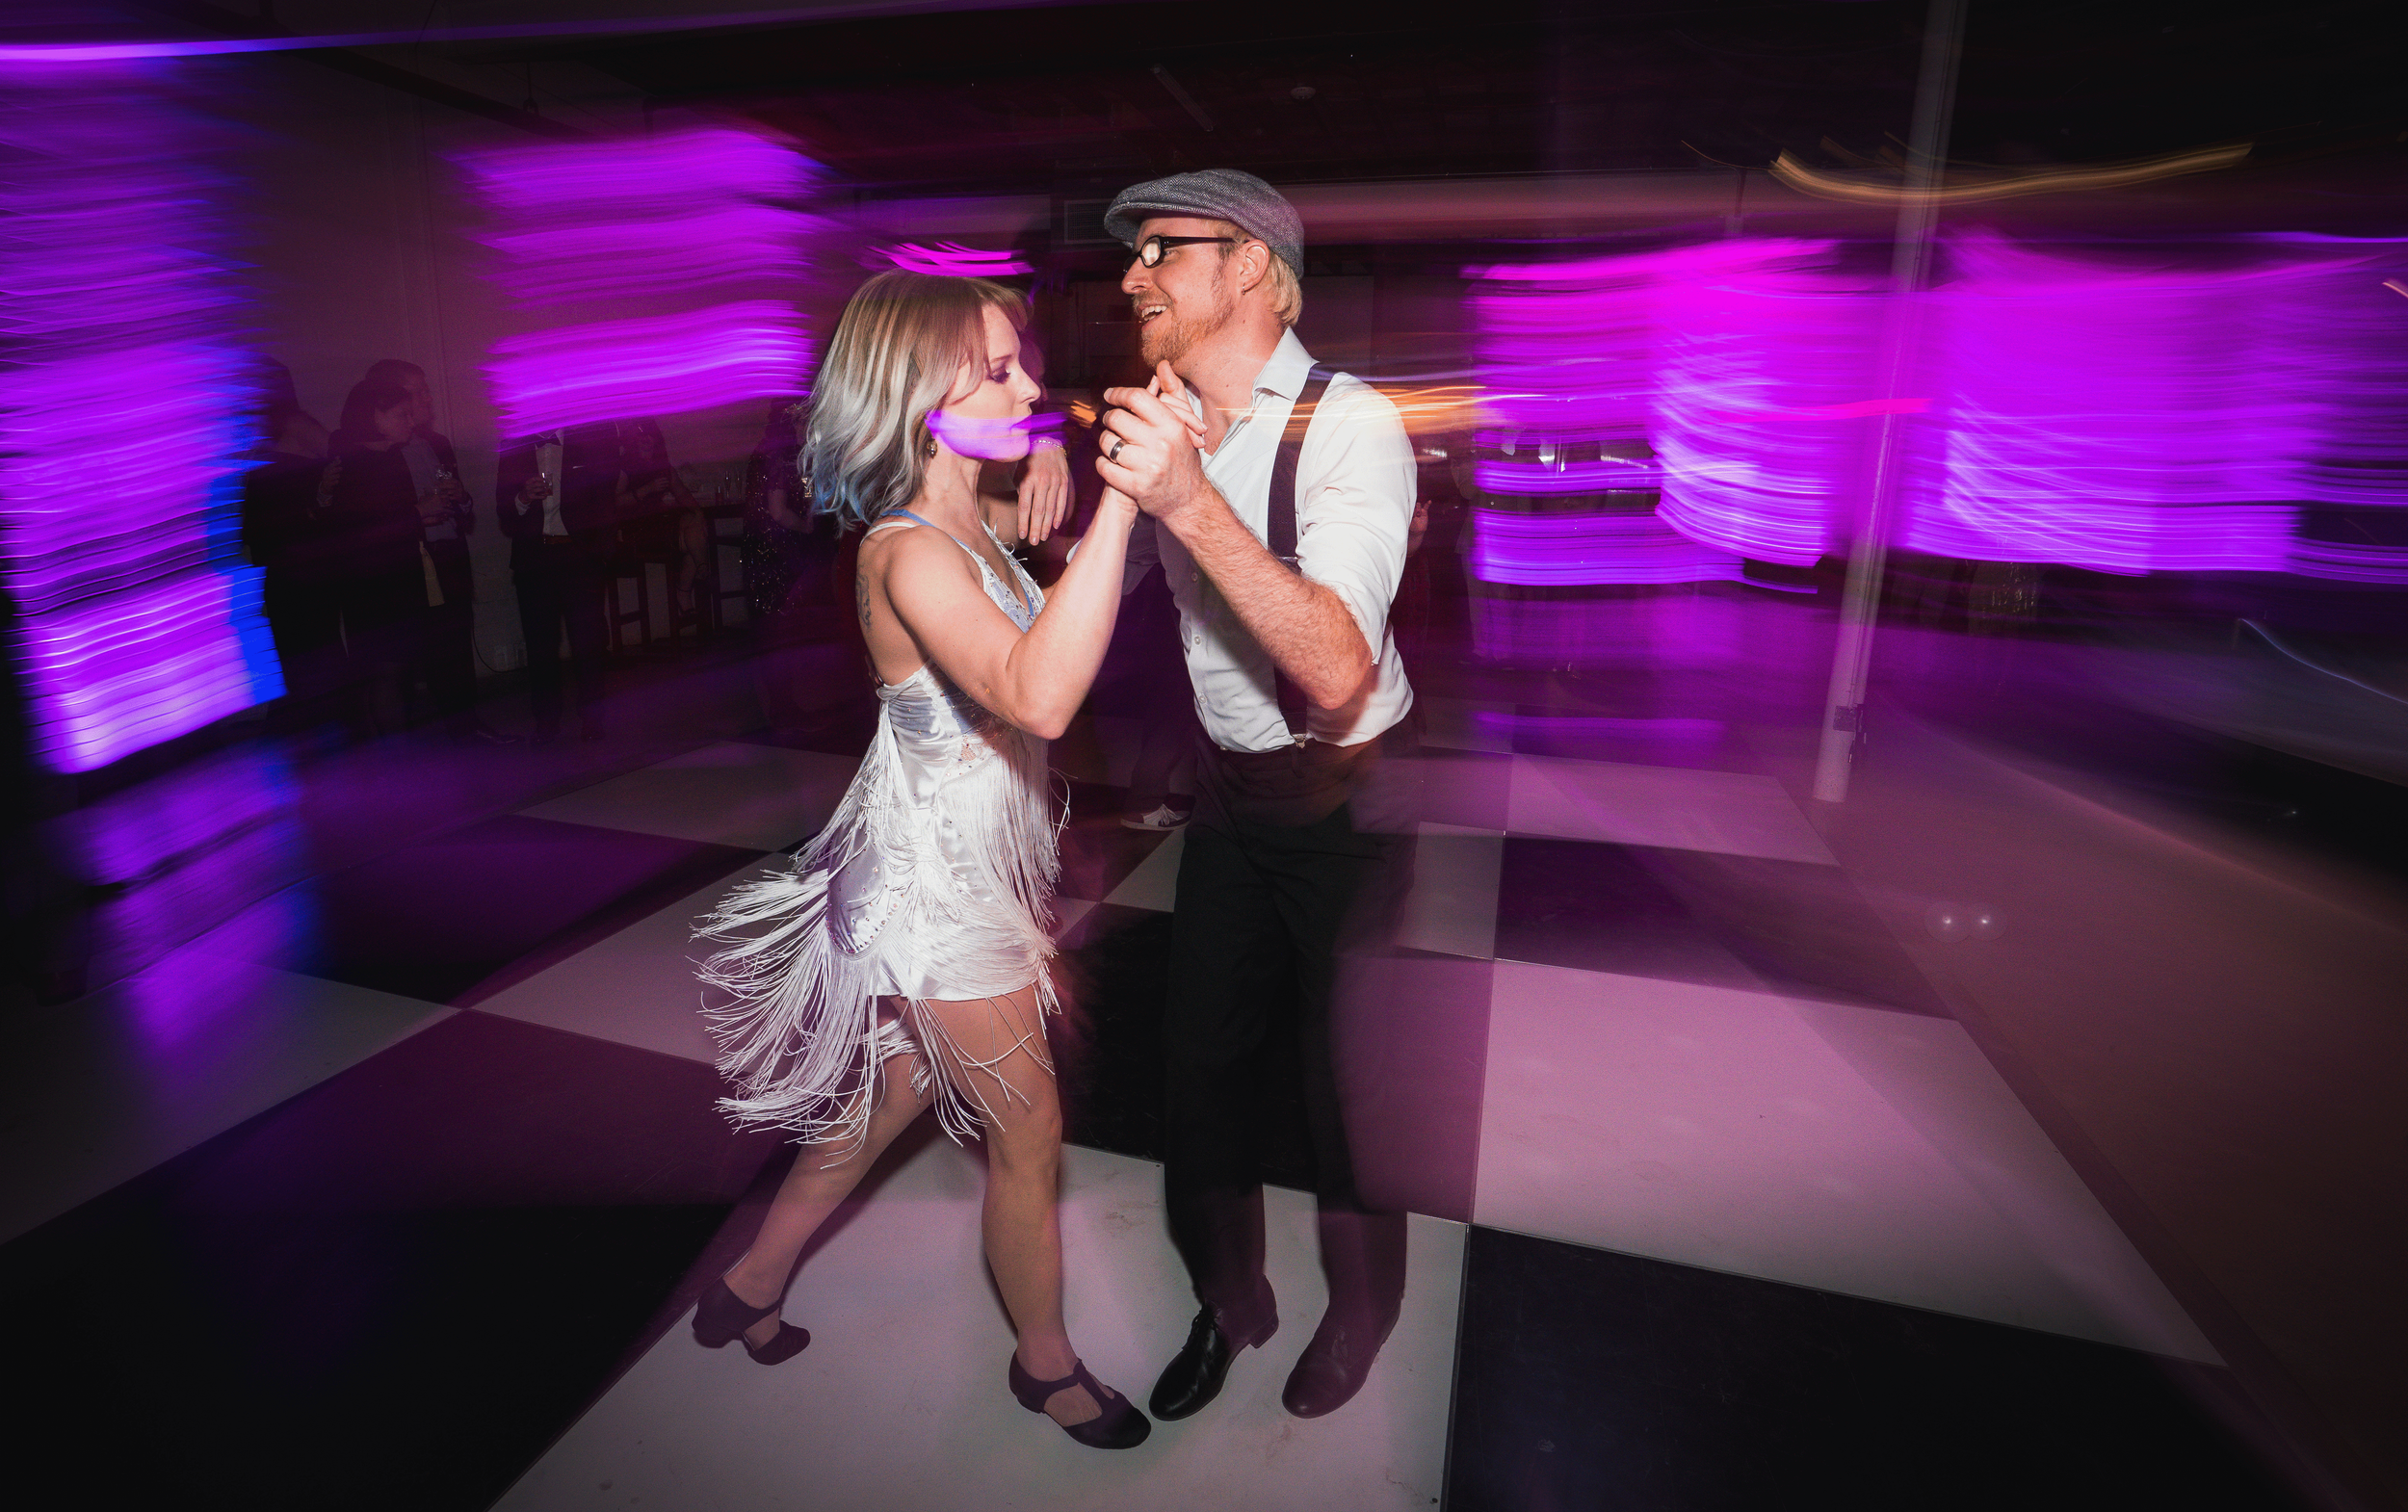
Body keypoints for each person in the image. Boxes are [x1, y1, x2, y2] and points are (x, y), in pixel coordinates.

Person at [688, 271, 1149, 1450]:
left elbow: (1036, 547)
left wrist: (1048, 459)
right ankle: (1044, 1366)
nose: (1030, 382)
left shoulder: (962, 521)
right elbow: (1040, 693)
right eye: (997, 370)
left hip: (940, 867)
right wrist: (1124, 507)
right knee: (1029, 1130)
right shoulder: (906, 553)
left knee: (888, 1096)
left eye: (1021, 362)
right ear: (915, 399)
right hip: (935, 893)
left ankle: (748, 1283)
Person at [1095, 169, 1421, 1422]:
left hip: (1347, 796)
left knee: (1350, 1090)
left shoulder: (1352, 425)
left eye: (1160, 249)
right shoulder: (1172, 415)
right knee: (1198, 1072)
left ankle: (1364, 1308)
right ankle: (1229, 1303)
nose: (1132, 276)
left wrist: (1192, 495)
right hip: (1231, 797)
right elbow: (1103, 600)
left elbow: (1336, 664)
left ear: (1249, 266)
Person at [360, 360, 503, 743]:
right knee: (403, 657)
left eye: (426, 390)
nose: (427, 398)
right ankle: (407, 748)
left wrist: (462, 499)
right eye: (418, 390)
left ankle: (466, 727)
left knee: (454, 645)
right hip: (406, 564)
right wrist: (415, 512)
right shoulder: (377, 452)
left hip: (447, 555)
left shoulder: (436, 443)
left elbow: (459, 503)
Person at [322, 378, 438, 737]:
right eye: (402, 414)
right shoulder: (355, 462)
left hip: (396, 577)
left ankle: (402, 749)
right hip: (374, 585)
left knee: (399, 666)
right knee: (385, 668)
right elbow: (362, 528)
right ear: (375, 416)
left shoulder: (389, 457)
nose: (412, 421)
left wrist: (421, 515)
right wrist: (418, 514)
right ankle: (395, 755)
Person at [496, 420, 621, 743]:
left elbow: (606, 498)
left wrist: (600, 555)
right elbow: (504, 511)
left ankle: (594, 719)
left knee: (589, 644)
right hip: (535, 560)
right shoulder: (514, 443)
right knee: (540, 646)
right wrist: (523, 497)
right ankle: (546, 722)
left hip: (580, 557)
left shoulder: (591, 436)